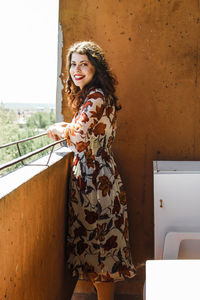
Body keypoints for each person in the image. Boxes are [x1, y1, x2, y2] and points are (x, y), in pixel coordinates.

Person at [47, 41, 136, 300]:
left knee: (101, 251)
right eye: (73, 64)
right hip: (97, 177)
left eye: (84, 64)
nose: (77, 69)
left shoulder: (95, 96)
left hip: (97, 182)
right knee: (99, 250)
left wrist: (61, 130)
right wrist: (66, 125)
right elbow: (85, 127)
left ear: (95, 67)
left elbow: (79, 138)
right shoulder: (95, 95)